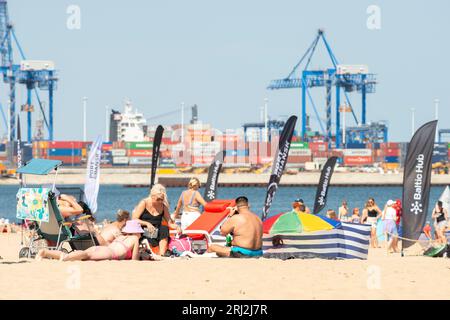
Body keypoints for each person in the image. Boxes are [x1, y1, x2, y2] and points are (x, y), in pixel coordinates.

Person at [36, 220, 144, 261]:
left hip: (102, 249)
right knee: (85, 255)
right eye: (140, 232)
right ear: (136, 232)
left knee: (84, 254)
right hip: (109, 252)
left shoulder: (121, 237)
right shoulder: (134, 239)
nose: (141, 234)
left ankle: (45, 252)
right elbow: (134, 260)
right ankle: (64, 257)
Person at [133, 183, 181, 256]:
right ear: (152, 196)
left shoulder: (163, 206)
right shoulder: (144, 203)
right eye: (158, 199)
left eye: (162, 199)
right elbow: (134, 219)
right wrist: (147, 223)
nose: (160, 201)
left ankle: (162, 254)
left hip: (156, 231)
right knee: (158, 230)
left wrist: (177, 227)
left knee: (164, 228)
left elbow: (169, 222)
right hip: (144, 230)